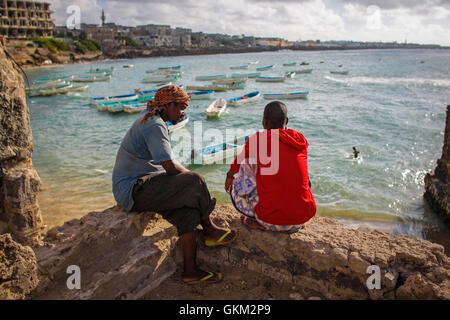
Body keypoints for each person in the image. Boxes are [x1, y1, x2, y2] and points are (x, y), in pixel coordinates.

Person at [112, 85, 237, 284]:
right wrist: (194, 179)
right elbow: (169, 166)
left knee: (187, 211)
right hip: (133, 188)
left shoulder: (152, 118)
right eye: (180, 107)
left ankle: (190, 271)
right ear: (167, 105)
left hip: (139, 185)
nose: (182, 113)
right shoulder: (154, 124)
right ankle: (210, 229)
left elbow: (166, 165)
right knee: (195, 180)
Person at [225, 101, 316, 232]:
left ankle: (259, 222)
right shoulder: (299, 141)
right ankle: (293, 219)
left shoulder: (258, 140)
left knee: (247, 164)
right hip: (301, 218)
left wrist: (229, 176)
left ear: (264, 122)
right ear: (286, 121)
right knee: (302, 176)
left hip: (270, 220)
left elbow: (237, 163)